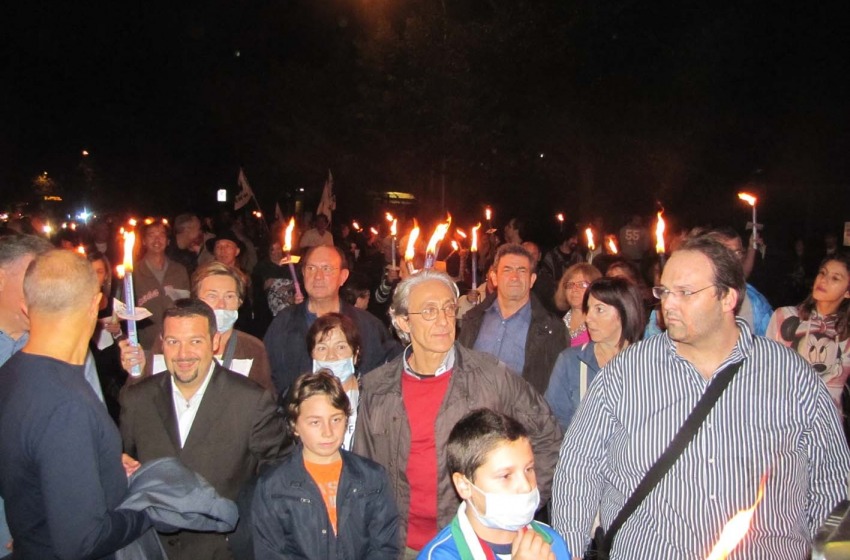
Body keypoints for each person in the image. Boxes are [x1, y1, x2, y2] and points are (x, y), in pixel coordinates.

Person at [551, 234, 850, 558]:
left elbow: (830, 484)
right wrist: (568, 552)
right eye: (664, 291)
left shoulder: (790, 378)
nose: (669, 303)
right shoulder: (626, 374)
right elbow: (578, 469)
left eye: (685, 292)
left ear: (728, 297)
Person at [353, 270, 563, 558]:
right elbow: (362, 472)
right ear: (403, 321)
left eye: (448, 308)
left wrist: (521, 497)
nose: (442, 320)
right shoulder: (377, 388)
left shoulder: (491, 377)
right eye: (429, 311)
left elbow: (547, 434)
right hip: (397, 544)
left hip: (472, 544)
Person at [0, 250, 151, 558]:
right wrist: (152, 508)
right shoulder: (66, 405)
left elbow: (27, 462)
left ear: (26, 307)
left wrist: (95, 458)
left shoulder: (11, 372)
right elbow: (83, 541)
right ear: (96, 304)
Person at [119, 299, 288, 559]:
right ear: (162, 342)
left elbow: (281, 472)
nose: (183, 354)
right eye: (173, 341)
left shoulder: (250, 401)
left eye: (195, 341)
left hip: (222, 549)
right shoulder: (137, 399)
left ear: (215, 342)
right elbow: (123, 463)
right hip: (152, 547)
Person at [252, 370, 399, 559]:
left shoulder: (372, 477)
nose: (328, 432)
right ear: (295, 426)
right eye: (315, 422)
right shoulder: (273, 486)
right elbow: (270, 552)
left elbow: (384, 546)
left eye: (336, 419)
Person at [418, 409, 570, 560]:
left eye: (528, 469)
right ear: (464, 485)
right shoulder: (439, 556)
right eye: (506, 476)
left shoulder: (551, 541)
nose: (526, 486)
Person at [264, 245, 400, 397]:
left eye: (327, 268)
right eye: (311, 268)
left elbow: (386, 377)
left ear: (343, 277)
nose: (318, 276)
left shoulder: (368, 326)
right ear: (302, 273)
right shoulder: (283, 324)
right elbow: (268, 381)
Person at [120, 261, 275, 392]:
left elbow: (265, 405)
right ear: (196, 300)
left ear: (239, 302)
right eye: (212, 296)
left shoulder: (252, 348)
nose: (221, 304)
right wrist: (137, 371)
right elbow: (138, 399)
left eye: (229, 296)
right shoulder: (170, 341)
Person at [458, 244, 566, 395]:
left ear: (532, 279)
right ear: (494, 278)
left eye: (522, 271)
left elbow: (557, 390)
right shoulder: (473, 320)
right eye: (507, 270)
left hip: (520, 417)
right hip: (473, 413)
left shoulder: (552, 330)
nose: (514, 277)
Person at [544, 277, 645, 430]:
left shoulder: (647, 364)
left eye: (599, 310)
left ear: (625, 311)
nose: (588, 318)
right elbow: (552, 423)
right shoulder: (571, 361)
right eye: (589, 309)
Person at [767, 253, 850, 415]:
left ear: (847, 292)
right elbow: (766, 368)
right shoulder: (785, 316)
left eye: (835, 278)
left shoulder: (846, 332)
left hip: (826, 424)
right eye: (823, 273)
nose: (823, 280)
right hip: (782, 416)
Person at [130, 220, 191, 348]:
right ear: (144, 241)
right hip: (146, 345)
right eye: (151, 235)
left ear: (168, 240)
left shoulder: (179, 270)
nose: (157, 239)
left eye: (161, 235)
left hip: (177, 342)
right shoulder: (133, 273)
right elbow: (124, 311)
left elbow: (188, 305)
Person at [307, 312, 363, 449]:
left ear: (355, 354)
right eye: (322, 348)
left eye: (341, 347)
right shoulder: (300, 400)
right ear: (312, 356)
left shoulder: (373, 399)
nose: (331, 356)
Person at [705, 227, 772, 335]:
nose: (735, 259)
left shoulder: (753, 301)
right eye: (728, 253)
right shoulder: (698, 293)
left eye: (738, 253)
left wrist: (751, 247)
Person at [554, 263, 601, 347]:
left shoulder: (601, 324)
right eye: (570, 285)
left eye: (582, 285)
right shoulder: (554, 323)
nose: (574, 289)